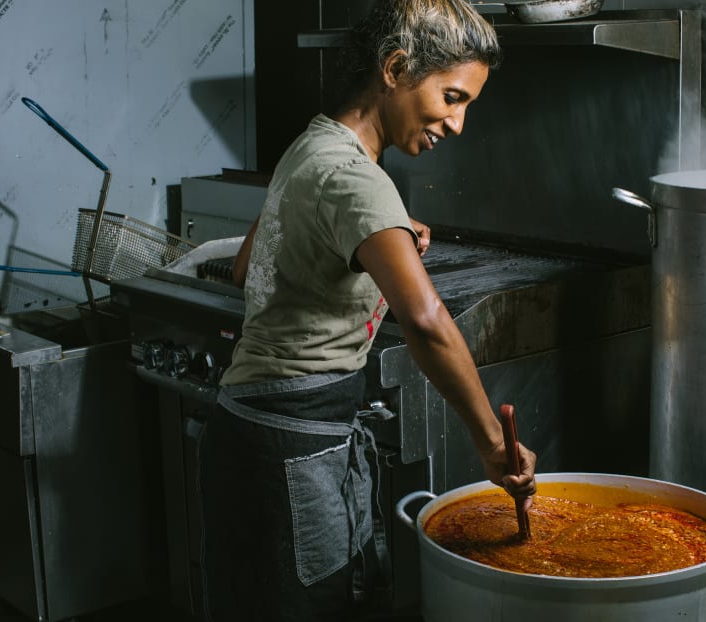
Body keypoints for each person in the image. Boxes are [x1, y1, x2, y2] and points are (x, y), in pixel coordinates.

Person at [199, 1, 537, 620]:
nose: (457, 123)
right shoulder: (358, 180)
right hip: (292, 447)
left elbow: (249, 262)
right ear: (397, 67)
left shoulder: (315, 144)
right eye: (453, 97)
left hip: (251, 432)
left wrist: (381, 228)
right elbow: (428, 322)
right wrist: (493, 444)